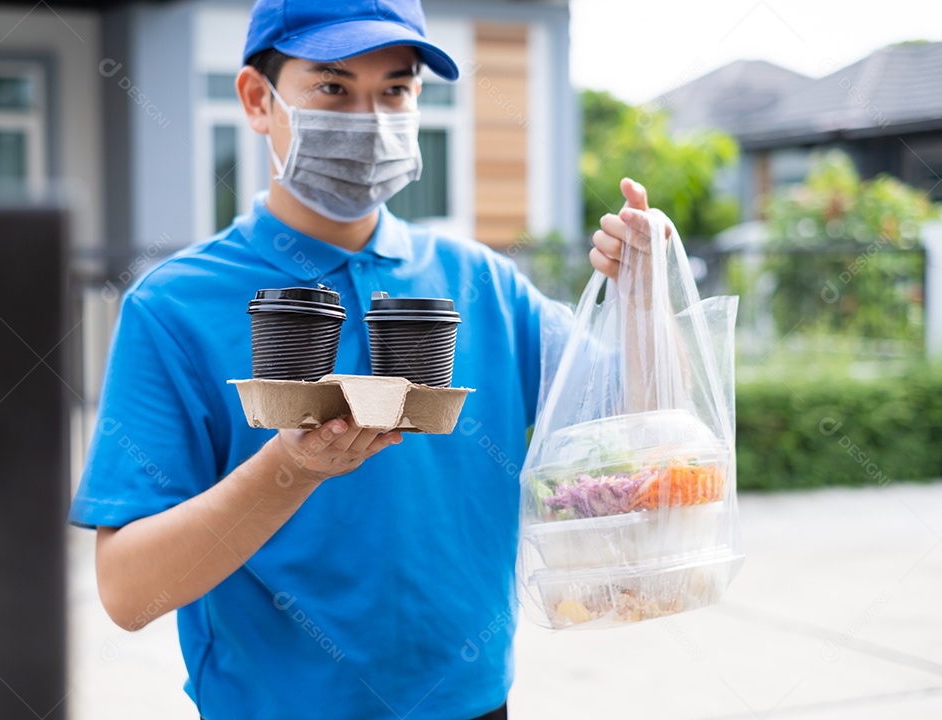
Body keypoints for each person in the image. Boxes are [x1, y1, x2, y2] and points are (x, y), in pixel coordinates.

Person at [69, 0, 669, 717]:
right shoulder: (174, 307)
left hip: (475, 703)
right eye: (333, 87)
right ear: (257, 99)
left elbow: (642, 423)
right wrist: (290, 469)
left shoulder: (486, 285)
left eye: (395, 89)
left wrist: (646, 300)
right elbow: (129, 592)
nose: (371, 120)